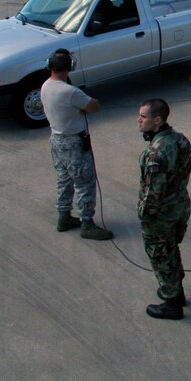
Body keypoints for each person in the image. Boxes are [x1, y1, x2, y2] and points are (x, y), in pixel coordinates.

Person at [39, 48, 114, 241]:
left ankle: (63, 217)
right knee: (84, 181)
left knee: (64, 179)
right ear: (69, 68)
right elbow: (94, 107)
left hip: (56, 139)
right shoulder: (70, 92)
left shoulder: (46, 86)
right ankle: (87, 224)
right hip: (74, 142)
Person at [138, 98, 191, 320]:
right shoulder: (180, 140)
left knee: (160, 254)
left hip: (162, 213)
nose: (139, 121)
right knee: (171, 249)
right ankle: (176, 292)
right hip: (180, 205)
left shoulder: (156, 154)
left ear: (157, 120)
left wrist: (145, 214)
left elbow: (153, 194)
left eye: (143, 117)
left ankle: (171, 303)